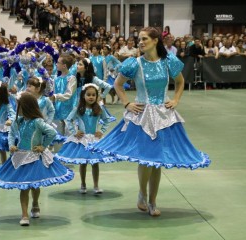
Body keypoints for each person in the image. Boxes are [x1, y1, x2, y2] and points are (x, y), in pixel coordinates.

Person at [87, 27, 211, 217]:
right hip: (141, 115)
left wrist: (176, 100)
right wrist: (127, 103)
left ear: (155, 41)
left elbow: (180, 81)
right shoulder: (134, 63)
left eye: (144, 39)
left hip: (163, 116)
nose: (140, 42)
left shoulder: (168, 61)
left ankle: (153, 201)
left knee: (157, 161)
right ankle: (142, 194)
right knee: (145, 159)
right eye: (139, 39)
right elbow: (118, 85)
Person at [0, 92, 74, 226]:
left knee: (34, 185)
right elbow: (11, 133)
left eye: (19, 106)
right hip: (21, 156)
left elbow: (51, 132)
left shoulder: (38, 122)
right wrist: (11, 145)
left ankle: (35, 203)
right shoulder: (18, 121)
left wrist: (43, 146)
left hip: (34, 157)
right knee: (24, 187)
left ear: (27, 107)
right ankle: (24, 214)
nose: (17, 109)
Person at [55, 84, 111, 194]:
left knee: (95, 163)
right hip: (82, 140)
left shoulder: (99, 108)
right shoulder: (79, 108)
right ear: (83, 96)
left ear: (96, 96)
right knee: (83, 163)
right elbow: (68, 119)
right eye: (88, 95)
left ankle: (96, 185)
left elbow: (107, 120)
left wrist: (102, 131)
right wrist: (75, 132)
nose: (91, 97)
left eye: (93, 95)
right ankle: (83, 184)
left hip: (94, 139)